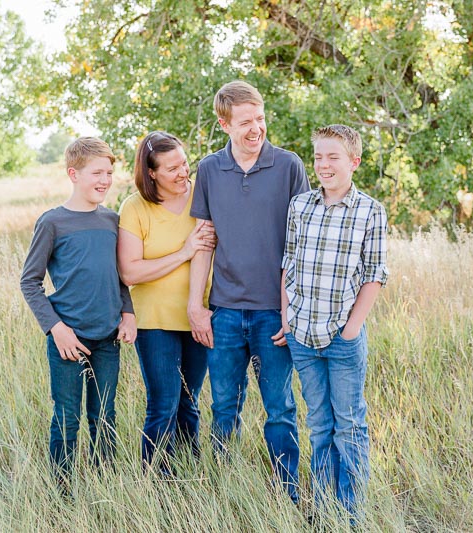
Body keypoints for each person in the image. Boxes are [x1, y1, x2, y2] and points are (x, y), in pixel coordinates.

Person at [187, 80, 310, 502]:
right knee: (223, 409)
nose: (256, 128)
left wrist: (291, 307)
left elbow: (301, 245)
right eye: (245, 122)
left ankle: (287, 494)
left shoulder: (289, 165)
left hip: (274, 314)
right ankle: (225, 494)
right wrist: (196, 306)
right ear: (224, 124)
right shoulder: (208, 170)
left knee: (280, 410)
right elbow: (204, 242)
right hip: (223, 312)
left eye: (259, 118)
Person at [280, 125, 389, 517]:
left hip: (343, 337)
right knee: (320, 425)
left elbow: (375, 273)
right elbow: (288, 264)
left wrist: (352, 328)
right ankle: (324, 512)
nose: (324, 165)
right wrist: (286, 318)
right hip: (303, 335)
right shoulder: (300, 206)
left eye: (334, 157)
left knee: (349, 425)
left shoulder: (370, 211)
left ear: (354, 162)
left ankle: (350, 514)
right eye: (319, 157)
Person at [20, 136, 136, 486]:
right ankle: (63, 491)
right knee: (67, 417)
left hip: (107, 337)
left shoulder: (112, 221)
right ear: (74, 173)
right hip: (68, 338)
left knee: (104, 415)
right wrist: (56, 328)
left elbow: (119, 275)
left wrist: (127, 313)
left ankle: (105, 485)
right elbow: (29, 282)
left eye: (110, 173)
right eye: (97, 173)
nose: (105, 180)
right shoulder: (53, 222)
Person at [117, 131, 216, 473]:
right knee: (163, 403)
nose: (182, 173)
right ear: (152, 173)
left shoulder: (201, 196)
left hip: (200, 315)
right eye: (172, 168)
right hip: (155, 321)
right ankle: (157, 480)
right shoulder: (135, 207)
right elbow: (130, 272)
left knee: (190, 401)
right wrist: (185, 252)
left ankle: (190, 470)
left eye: (184, 164)